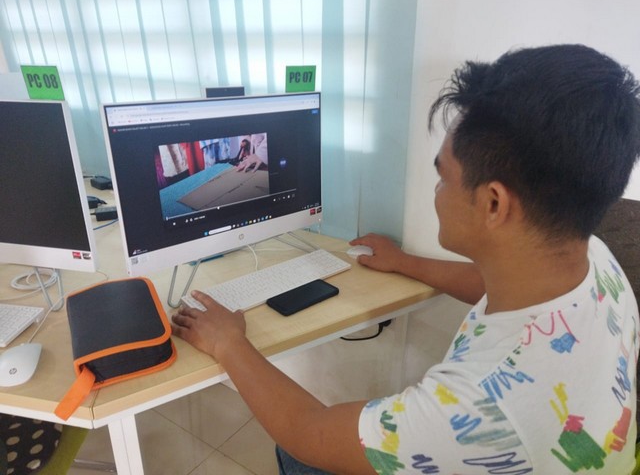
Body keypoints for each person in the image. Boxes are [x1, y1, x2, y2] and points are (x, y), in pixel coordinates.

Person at [171, 44, 640, 474]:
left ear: (494, 203)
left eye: (444, 177)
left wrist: (230, 344)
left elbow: (309, 432)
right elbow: (490, 282)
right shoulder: (593, 259)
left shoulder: (478, 410)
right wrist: (405, 263)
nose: (437, 192)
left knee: (295, 455)